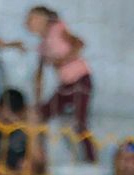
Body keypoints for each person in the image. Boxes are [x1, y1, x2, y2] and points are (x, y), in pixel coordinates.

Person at [25, 6, 95, 161]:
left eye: (33, 18)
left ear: (43, 19)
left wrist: (63, 60)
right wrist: (37, 99)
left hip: (81, 79)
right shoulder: (42, 45)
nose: (28, 22)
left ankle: (92, 160)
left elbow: (79, 43)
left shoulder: (58, 28)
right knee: (41, 114)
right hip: (66, 85)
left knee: (80, 122)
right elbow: (39, 74)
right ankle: (39, 157)